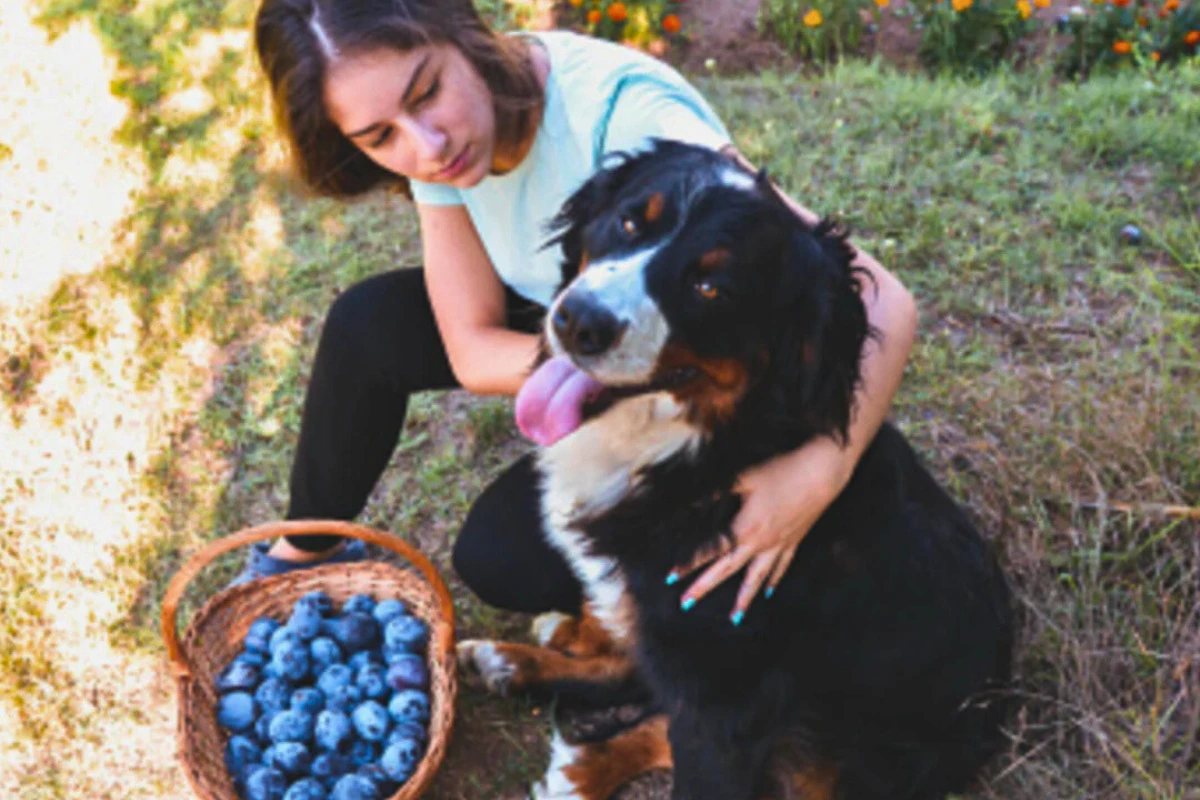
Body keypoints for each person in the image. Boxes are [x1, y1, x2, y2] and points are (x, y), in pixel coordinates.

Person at [236, 0, 918, 625]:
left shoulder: (631, 115)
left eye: (427, 92)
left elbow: (883, 297)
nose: (428, 147)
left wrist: (823, 470)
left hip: (676, 329)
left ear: (462, 30)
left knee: (500, 558)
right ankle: (301, 552)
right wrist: (584, 364)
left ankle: (653, 654)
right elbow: (471, 346)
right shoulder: (435, 148)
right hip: (581, 309)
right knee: (366, 325)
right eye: (379, 136)